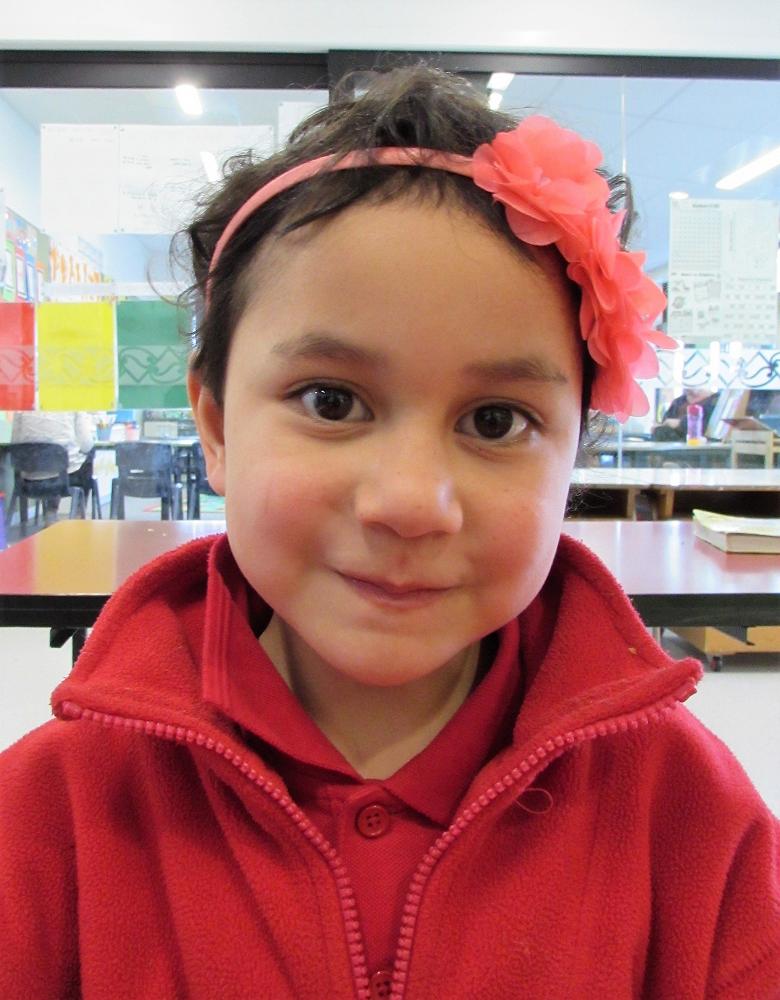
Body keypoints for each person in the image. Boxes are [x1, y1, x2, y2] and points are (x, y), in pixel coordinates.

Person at [0, 68, 777, 999]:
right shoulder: (52, 815)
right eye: (331, 401)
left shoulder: (690, 817)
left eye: (495, 420)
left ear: (575, 451)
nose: (411, 503)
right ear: (215, 426)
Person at [10, 409, 96, 511]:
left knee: (55, 464)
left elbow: (15, 442)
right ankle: (78, 514)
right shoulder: (72, 405)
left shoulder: (23, 407)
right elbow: (86, 445)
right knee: (87, 457)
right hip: (62, 481)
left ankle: (51, 511)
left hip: (28, 482)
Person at [653, 386, 719, 441]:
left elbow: (710, 428)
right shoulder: (678, 402)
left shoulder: (717, 402)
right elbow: (665, 423)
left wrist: (680, 423)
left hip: (703, 448)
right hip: (672, 448)